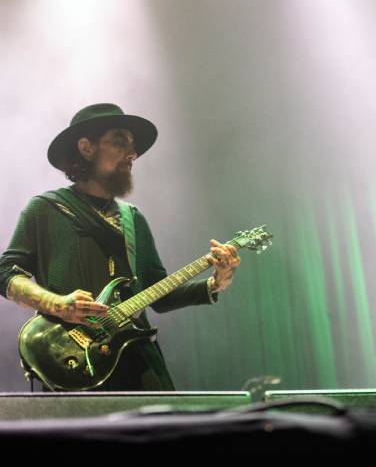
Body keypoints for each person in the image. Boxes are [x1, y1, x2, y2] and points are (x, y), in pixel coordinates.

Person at [0, 103, 240, 391]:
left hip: (136, 358)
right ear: (86, 148)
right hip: (72, 357)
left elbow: (157, 293)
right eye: (119, 142)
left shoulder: (132, 218)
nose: (132, 154)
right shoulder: (46, 209)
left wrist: (215, 283)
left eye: (133, 146)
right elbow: (5, 273)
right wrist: (57, 305)